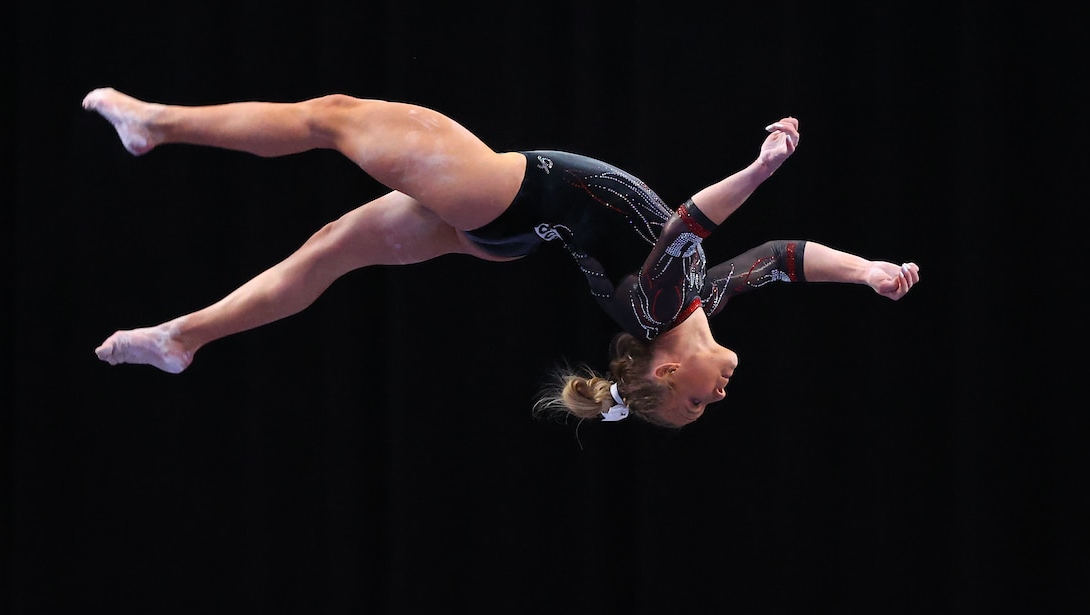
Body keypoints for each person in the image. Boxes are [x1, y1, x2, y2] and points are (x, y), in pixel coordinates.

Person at [83, 88, 919, 429]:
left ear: (666, 374)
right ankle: (183, 337)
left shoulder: (663, 307)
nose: (719, 396)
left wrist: (762, 169)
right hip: (510, 235)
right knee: (328, 251)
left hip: (508, 198)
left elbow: (689, 225)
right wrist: (869, 272)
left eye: (696, 403)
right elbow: (780, 258)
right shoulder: (700, 304)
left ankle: (156, 126)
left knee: (331, 118)